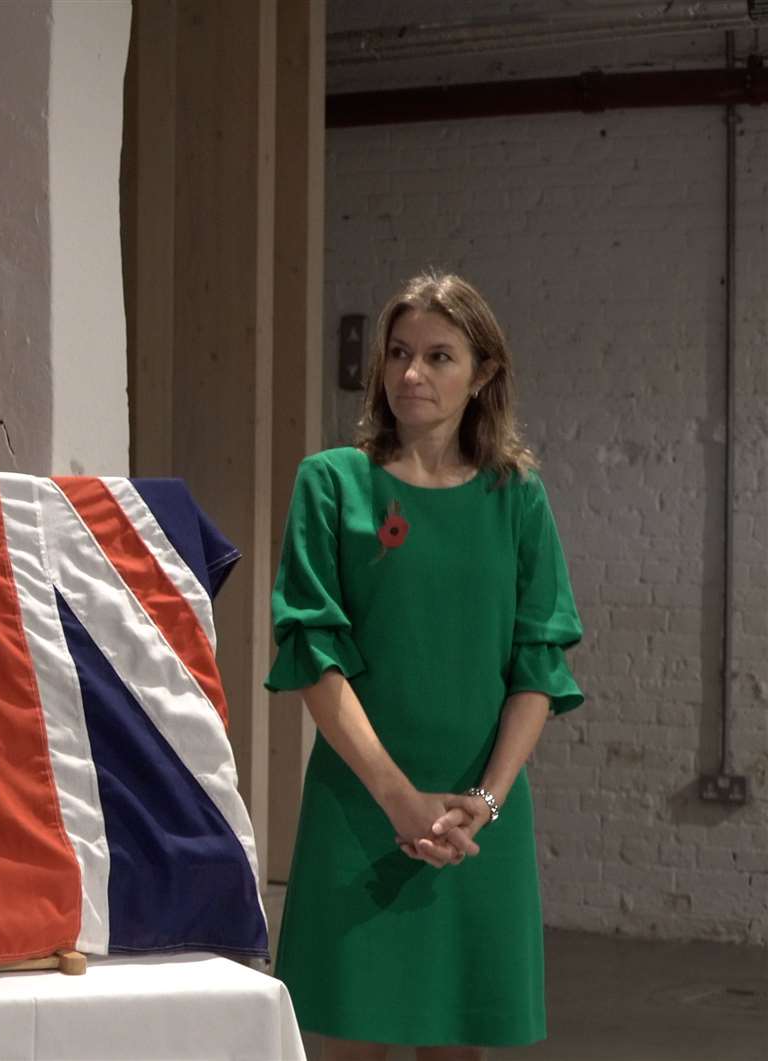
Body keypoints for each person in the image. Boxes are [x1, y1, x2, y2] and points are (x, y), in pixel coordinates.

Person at [265, 270, 584, 1059]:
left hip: (479, 819)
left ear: (483, 376)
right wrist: (399, 798)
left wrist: (483, 799)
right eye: (399, 352)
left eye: (440, 357)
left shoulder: (518, 497)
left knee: (458, 1044)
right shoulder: (332, 484)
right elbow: (313, 657)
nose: (412, 373)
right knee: (351, 1042)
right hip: (361, 804)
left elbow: (537, 666)